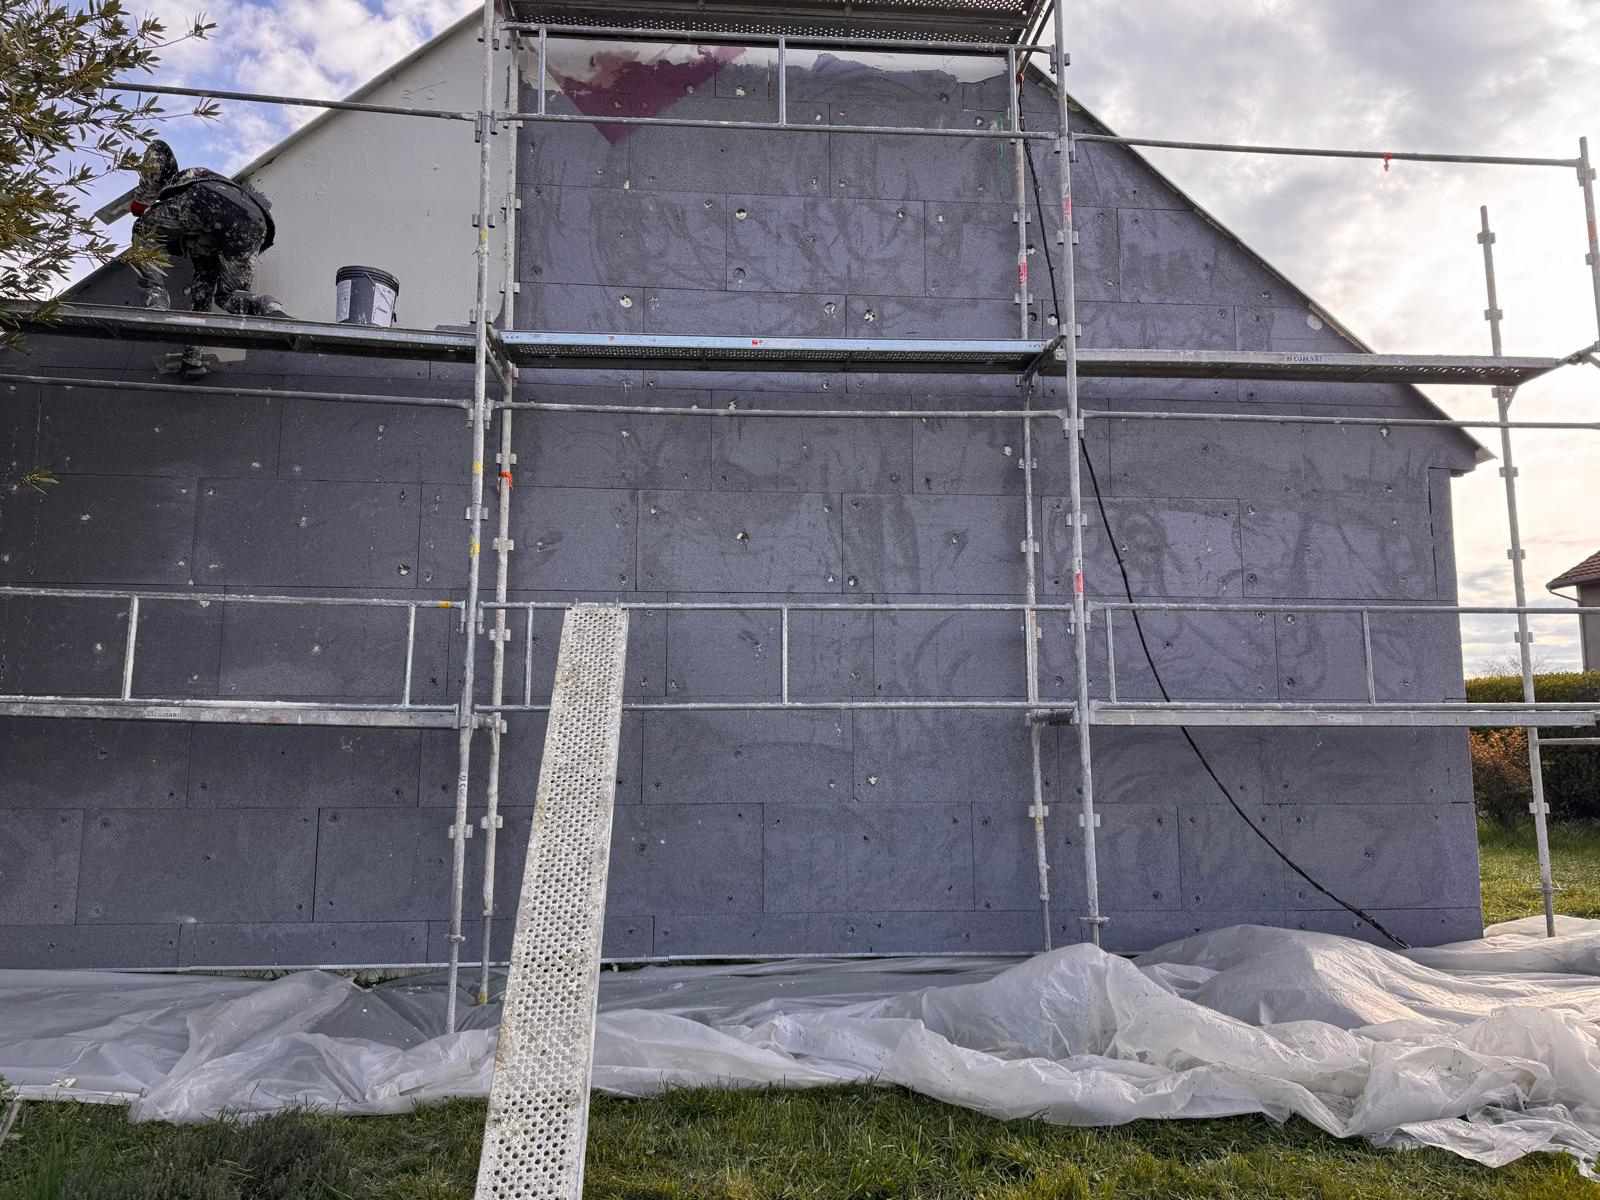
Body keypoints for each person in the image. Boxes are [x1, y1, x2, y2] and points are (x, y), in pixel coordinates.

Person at [126, 140, 286, 319]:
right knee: (230, 296)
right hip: (254, 222)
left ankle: (156, 301)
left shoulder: (184, 180)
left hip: (207, 199)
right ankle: (268, 306)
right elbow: (202, 289)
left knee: (143, 229)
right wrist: (195, 342)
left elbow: (158, 149)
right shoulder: (207, 248)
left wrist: (142, 199)